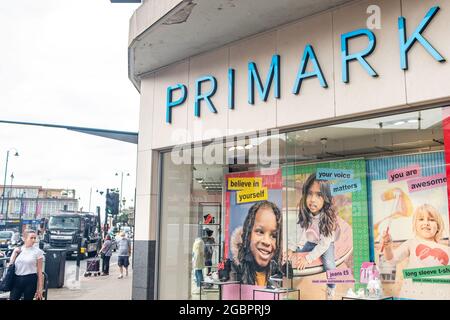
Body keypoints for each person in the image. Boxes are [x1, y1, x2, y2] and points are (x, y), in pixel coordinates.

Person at [381, 203, 449, 299]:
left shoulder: (447, 250)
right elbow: (391, 259)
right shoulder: (411, 243)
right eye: (421, 219)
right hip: (411, 296)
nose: (426, 223)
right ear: (415, 224)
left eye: (431, 219)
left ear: (438, 226)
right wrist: (387, 247)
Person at [287, 172, 338, 300]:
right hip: (311, 242)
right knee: (297, 256)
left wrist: (308, 258)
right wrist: (291, 248)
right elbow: (297, 230)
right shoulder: (306, 213)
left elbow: (323, 244)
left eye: (319, 195)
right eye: (310, 193)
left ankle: (331, 288)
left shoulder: (328, 218)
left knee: (330, 265)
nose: (312, 199)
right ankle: (290, 289)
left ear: (326, 198)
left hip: (325, 244)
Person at [229, 200, 282, 286]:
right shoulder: (235, 270)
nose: (267, 242)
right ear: (248, 234)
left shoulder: (280, 270)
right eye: (260, 232)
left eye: (273, 236)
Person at [8, 229, 44, 300]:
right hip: (17, 279)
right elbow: (10, 265)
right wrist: (14, 254)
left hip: (30, 279)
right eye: (31, 238)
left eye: (35, 238)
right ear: (24, 238)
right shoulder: (17, 250)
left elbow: (39, 272)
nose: (33, 240)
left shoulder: (38, 252)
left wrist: (40, 289)